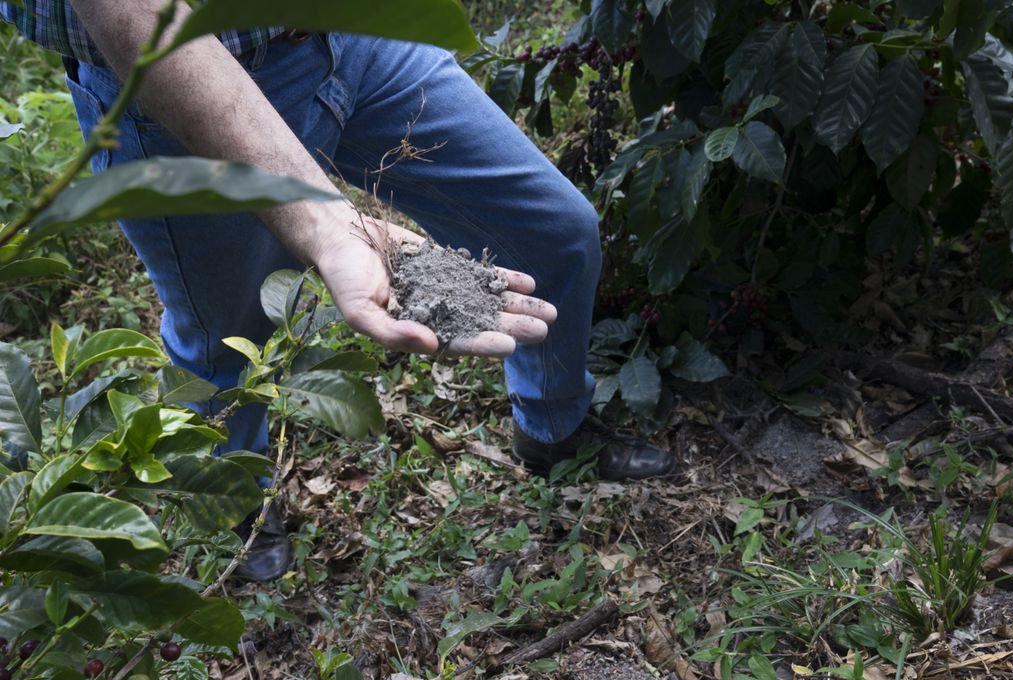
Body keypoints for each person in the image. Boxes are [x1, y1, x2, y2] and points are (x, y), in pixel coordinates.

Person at [0, 0, 676, 580]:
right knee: (224, 340)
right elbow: (139, 16)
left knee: (556, 229)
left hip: (350, 36)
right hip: (178, 92)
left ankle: (552, 427)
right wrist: (324, 224)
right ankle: (237, 508)